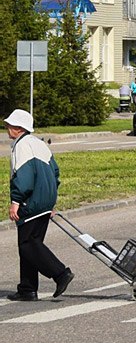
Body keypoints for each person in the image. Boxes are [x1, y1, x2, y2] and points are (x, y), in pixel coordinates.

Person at [6, 109, 72, 301]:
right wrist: (51, 200)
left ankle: (60, 273)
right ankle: (27, 289)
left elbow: (24, 179)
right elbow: (55, 172)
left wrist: (15, 202)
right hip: (45, 199)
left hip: (31, 200)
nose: (7, 128)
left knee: (27, 245)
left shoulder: (22, 146)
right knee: (32, 244)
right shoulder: (39, 144)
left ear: (19, 128)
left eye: (9, 125)